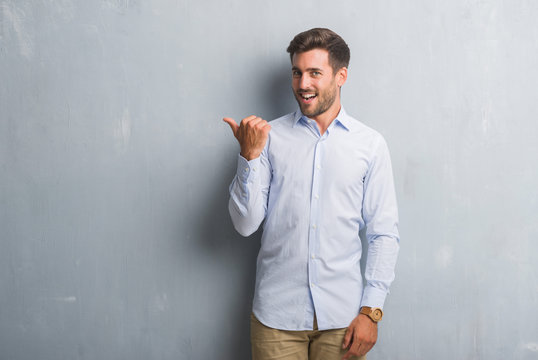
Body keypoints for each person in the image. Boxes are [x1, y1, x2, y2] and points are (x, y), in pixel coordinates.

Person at [223, 28, 399, 360]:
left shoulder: (370, 145)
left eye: (315, 73)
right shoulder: (268, 137)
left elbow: (383, 234)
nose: (303, 84)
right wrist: (249, 156)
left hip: (343, 321)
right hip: (276, 320)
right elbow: (245, 225)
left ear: (341, 75)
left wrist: (371, 310)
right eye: (297, 72)